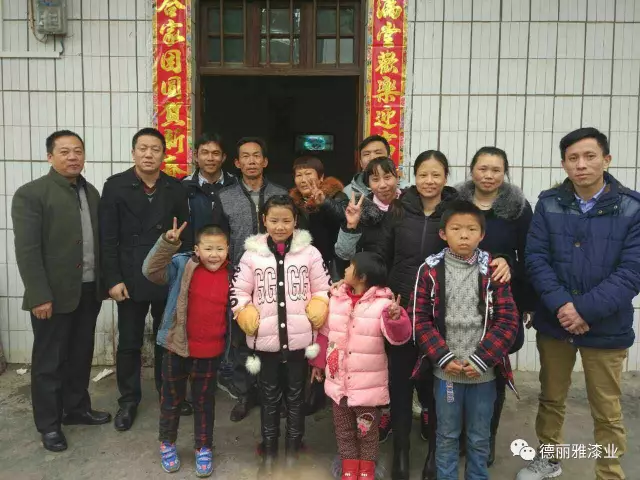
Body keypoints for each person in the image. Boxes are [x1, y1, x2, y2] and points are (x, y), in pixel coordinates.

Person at [517, 127, 640, 480]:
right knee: (551, 398)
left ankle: (609, 472)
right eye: (573, 158)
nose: (581, 165)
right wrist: (563, 306)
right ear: (564, 164)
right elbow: (536, 259)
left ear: (606, 160)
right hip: (556, 322)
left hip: (607, 325)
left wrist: (583, 310)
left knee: (607, 409)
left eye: (589, 156)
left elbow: (632, 271)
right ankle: (549, 458)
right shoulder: (549, 203)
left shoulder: (632, 207)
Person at [12, 130, 111, 452]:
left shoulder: (91, 192)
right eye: (65, 151)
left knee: (80, 355)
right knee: (49, 362)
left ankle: (76, 409)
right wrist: (39, 295)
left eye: (78, 151)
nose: (73, 157)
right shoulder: (32, 194)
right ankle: (49, 424)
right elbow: (27, 250)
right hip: (52, 296)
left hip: (88, 290)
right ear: (50, 156)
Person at [412, 200, 519, 480]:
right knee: (446, 435)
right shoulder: (429, 270)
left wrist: (482, 359)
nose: (463, 235)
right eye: (456, 228)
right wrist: (443, 358)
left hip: (483, 374)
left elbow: (508, 321)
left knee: (479, 437)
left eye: (471, 229)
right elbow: (420, 319)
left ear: (482, 235)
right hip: (446, 373)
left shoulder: (493, 270)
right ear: (443, 233)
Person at [99, 127, 192, 432]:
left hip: (165, 276)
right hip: (129, 277)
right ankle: (128, 401)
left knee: (166, 340)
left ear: (164, 155)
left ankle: (169, 393)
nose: (149, 154)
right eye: (143, 148)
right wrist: (113, 279)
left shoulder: (175, 188)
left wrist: (181, 275)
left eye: (155, 149)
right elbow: (107, 239)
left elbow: (186, 236)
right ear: (133, 152)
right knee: (129, 342)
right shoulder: (115, 186)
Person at [231, 195, 331, 475]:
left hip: (300, 341)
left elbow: (323, 287)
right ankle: (270, 450)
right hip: (265, 341)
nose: (280, 226)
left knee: (296, 397)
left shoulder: (310, 253)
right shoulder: (251, 255)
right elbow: (238, 291)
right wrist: (244, 311)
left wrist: (319, 303)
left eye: (286, 220)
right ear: (264, 220)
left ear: (295, 221)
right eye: (274, 220)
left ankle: (293, 452)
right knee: (269, 396)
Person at [456, 146, 536, 465]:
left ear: (505, 173)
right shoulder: (456, 203)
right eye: (483, 168)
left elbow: (530, 255)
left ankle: (486, 437)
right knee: (458, 367)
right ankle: (459, 433)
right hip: (458, 299)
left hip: (499, 302)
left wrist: (510, 267)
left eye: (496, 170)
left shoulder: (518, 208)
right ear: (472, 169)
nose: (488, 176)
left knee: (494, 369)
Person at [309, 252, 412, 480]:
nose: (345, 270)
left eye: (350, 267)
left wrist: (397, 318)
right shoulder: (336, 300)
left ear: (362, 276)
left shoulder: (383, 305)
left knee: (367, 433)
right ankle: (349, 469)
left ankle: (366, 470)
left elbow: (398, 338)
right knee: (344, 431)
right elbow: (325, 334)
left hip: (368, 388)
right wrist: (317, 363)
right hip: (338, 385)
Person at [143, 221, 231, 477]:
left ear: (228, 249)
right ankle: (167, 443)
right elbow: (151, 271)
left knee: (204, 402)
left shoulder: (233, 274)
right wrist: (167, 244)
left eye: (220, 249)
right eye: (208, 248)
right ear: (196, 249)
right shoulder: (183, 265)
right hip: (177, 347)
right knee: (171, 400)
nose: (214, 254)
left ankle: (203, 447)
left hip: (210, 352)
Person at [212, 137, 288, 422]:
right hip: (240, 279)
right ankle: (246, 393)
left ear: (265, 161)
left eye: (257, 155)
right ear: (237, 162)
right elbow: (219, 239)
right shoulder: (225, 197)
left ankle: (274, 393)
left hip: (276, 277)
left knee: (275, 336)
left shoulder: (280, 193)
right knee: (242, 336)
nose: (252, 161)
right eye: (245, 156)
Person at [289, 155, 348, 281]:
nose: (303, 180)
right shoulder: (292, 203)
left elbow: (346, 218)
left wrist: (324, 202)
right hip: (302, 265)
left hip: (332, 266)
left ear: (321, 177)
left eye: (308, 174)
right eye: (299, 175)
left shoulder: (336, 196)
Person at [182, 133, 238, 243]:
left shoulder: (236, 185)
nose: (210, 158)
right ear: (196, 156)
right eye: (205, 153)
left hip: (228, 252)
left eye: (215, 153)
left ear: (223, 157)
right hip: (194, 252)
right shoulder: (184, 186)